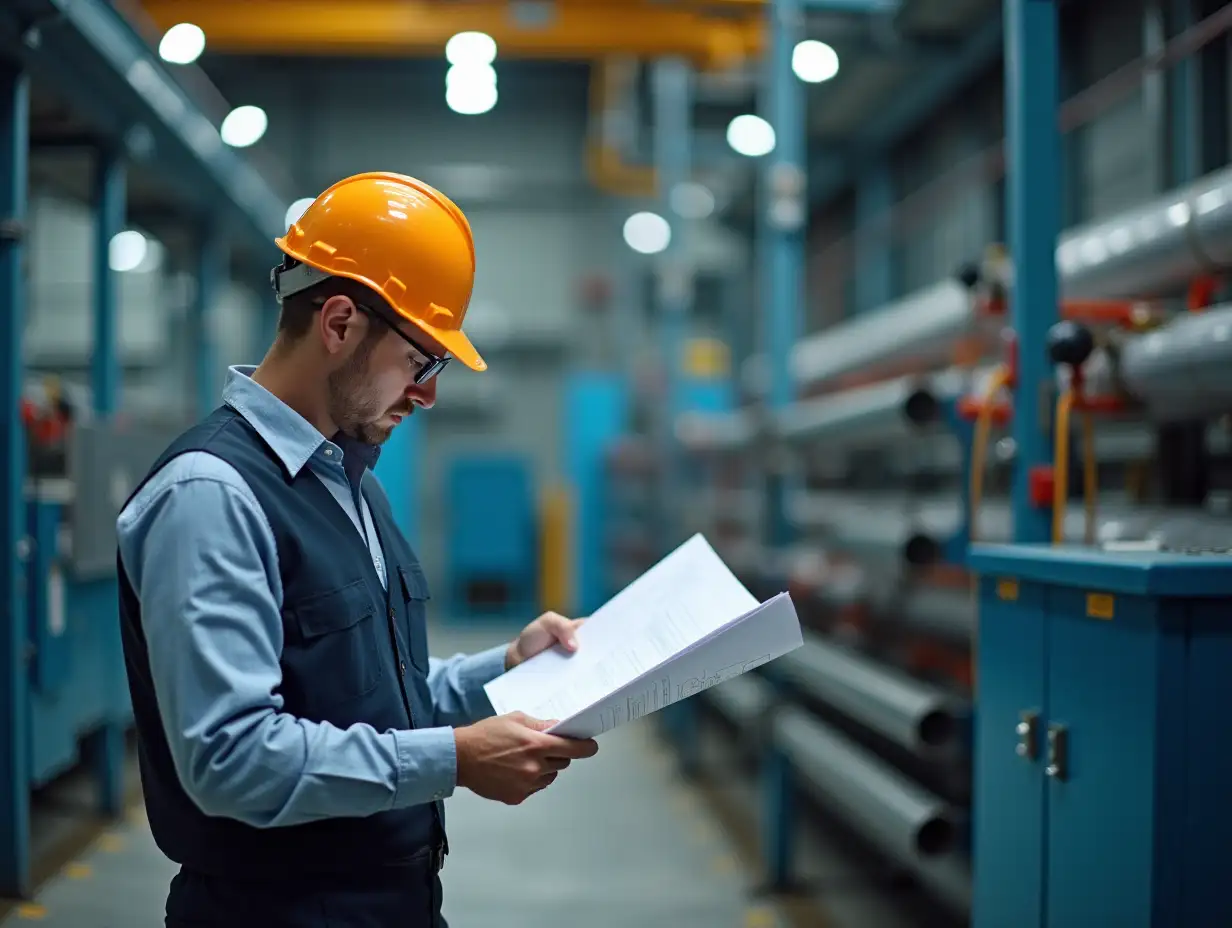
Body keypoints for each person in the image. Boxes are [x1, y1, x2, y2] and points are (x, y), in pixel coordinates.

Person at [115, 172, 599, 928]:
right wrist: (456, 759)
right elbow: (231, 757)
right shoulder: (210, 495)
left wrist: (503, 668)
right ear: (339, 322)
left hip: (390, 902)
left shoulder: (350, 483)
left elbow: (371, 694)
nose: (428, 394)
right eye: (421, 361)